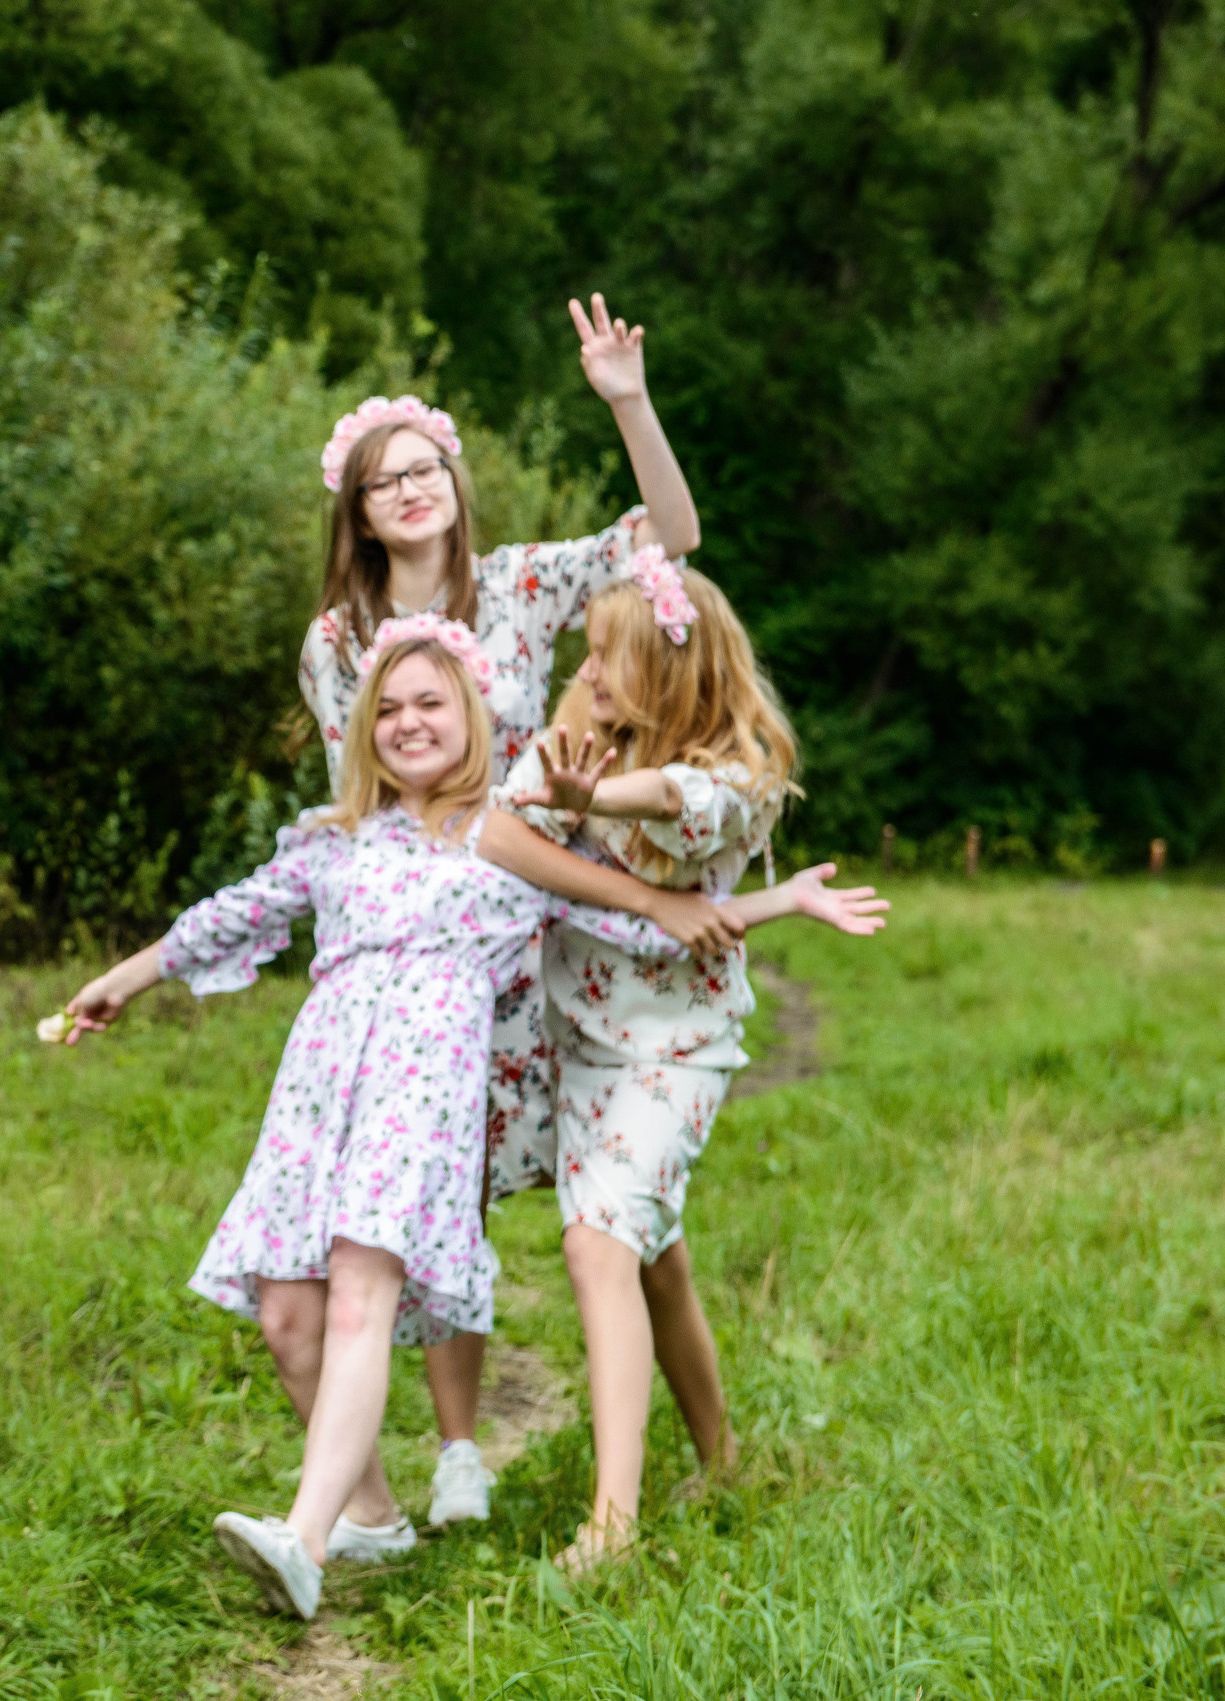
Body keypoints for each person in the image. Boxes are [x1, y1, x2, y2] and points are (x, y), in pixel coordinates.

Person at [55, 618, 855, 1620]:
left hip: (421, 1107)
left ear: (471, 716)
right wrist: (123, 980)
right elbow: (235, 912)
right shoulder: (331, 838)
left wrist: (778, 901)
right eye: (385, 707)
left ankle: (302, 1539)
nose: (406, 721)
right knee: (287, 1315)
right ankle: (374, 1517)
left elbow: (633, 912)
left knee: (357, 1293)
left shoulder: (506, 842)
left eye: (429, 701)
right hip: (319, 1099)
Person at [297, 298, 723, 1527]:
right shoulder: (337, 640)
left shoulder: (532, 581)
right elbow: (357, 795)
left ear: (453, 482)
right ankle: (457, 1449)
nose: (410, 490)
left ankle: (710, 1450)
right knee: (435, 1182)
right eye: (384, 481)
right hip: (435, 948)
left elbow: (675, 538)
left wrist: (625, 400)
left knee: (627, 1209)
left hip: (573, 926)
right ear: (360, 512)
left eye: (424, 467)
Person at [498, 555, 884, 1573]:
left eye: (608, 661)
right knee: (652, 1257)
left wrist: (587, 788)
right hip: (578, 1041)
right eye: (586, 661)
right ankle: (719, 1459)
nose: (589, 677)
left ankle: (610, 1525)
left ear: (670, 674)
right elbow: (509, 815)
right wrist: (579, 708)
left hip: (672, 1053)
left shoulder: (735, 777)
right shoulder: (596, 727)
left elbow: (672, 800)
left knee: (596, 1246)